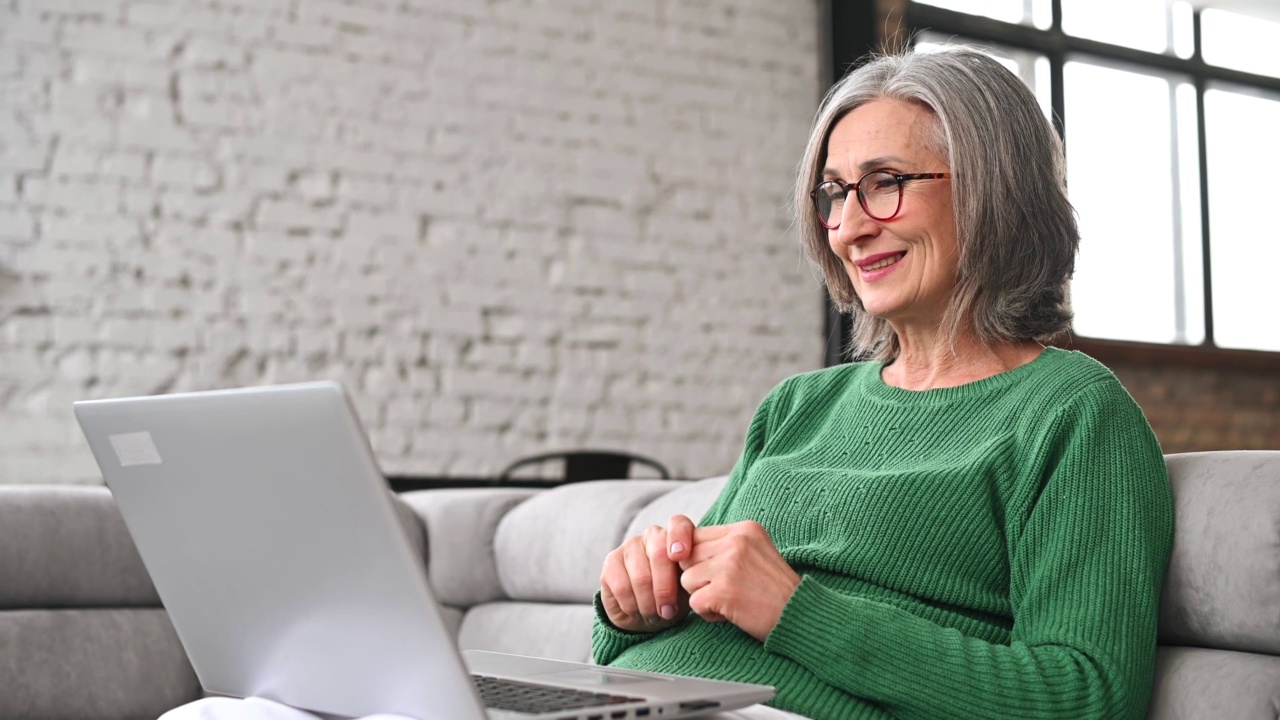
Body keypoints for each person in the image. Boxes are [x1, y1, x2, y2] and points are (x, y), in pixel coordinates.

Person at [594, 46, 1174, 720]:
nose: (849, 227)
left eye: (885, 182)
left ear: (995, 188)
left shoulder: (1071, 413)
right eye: (833, 193)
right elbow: (680, 614)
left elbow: (1086, 699)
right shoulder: (798, 407)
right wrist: (631, 607)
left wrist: (794, 610)